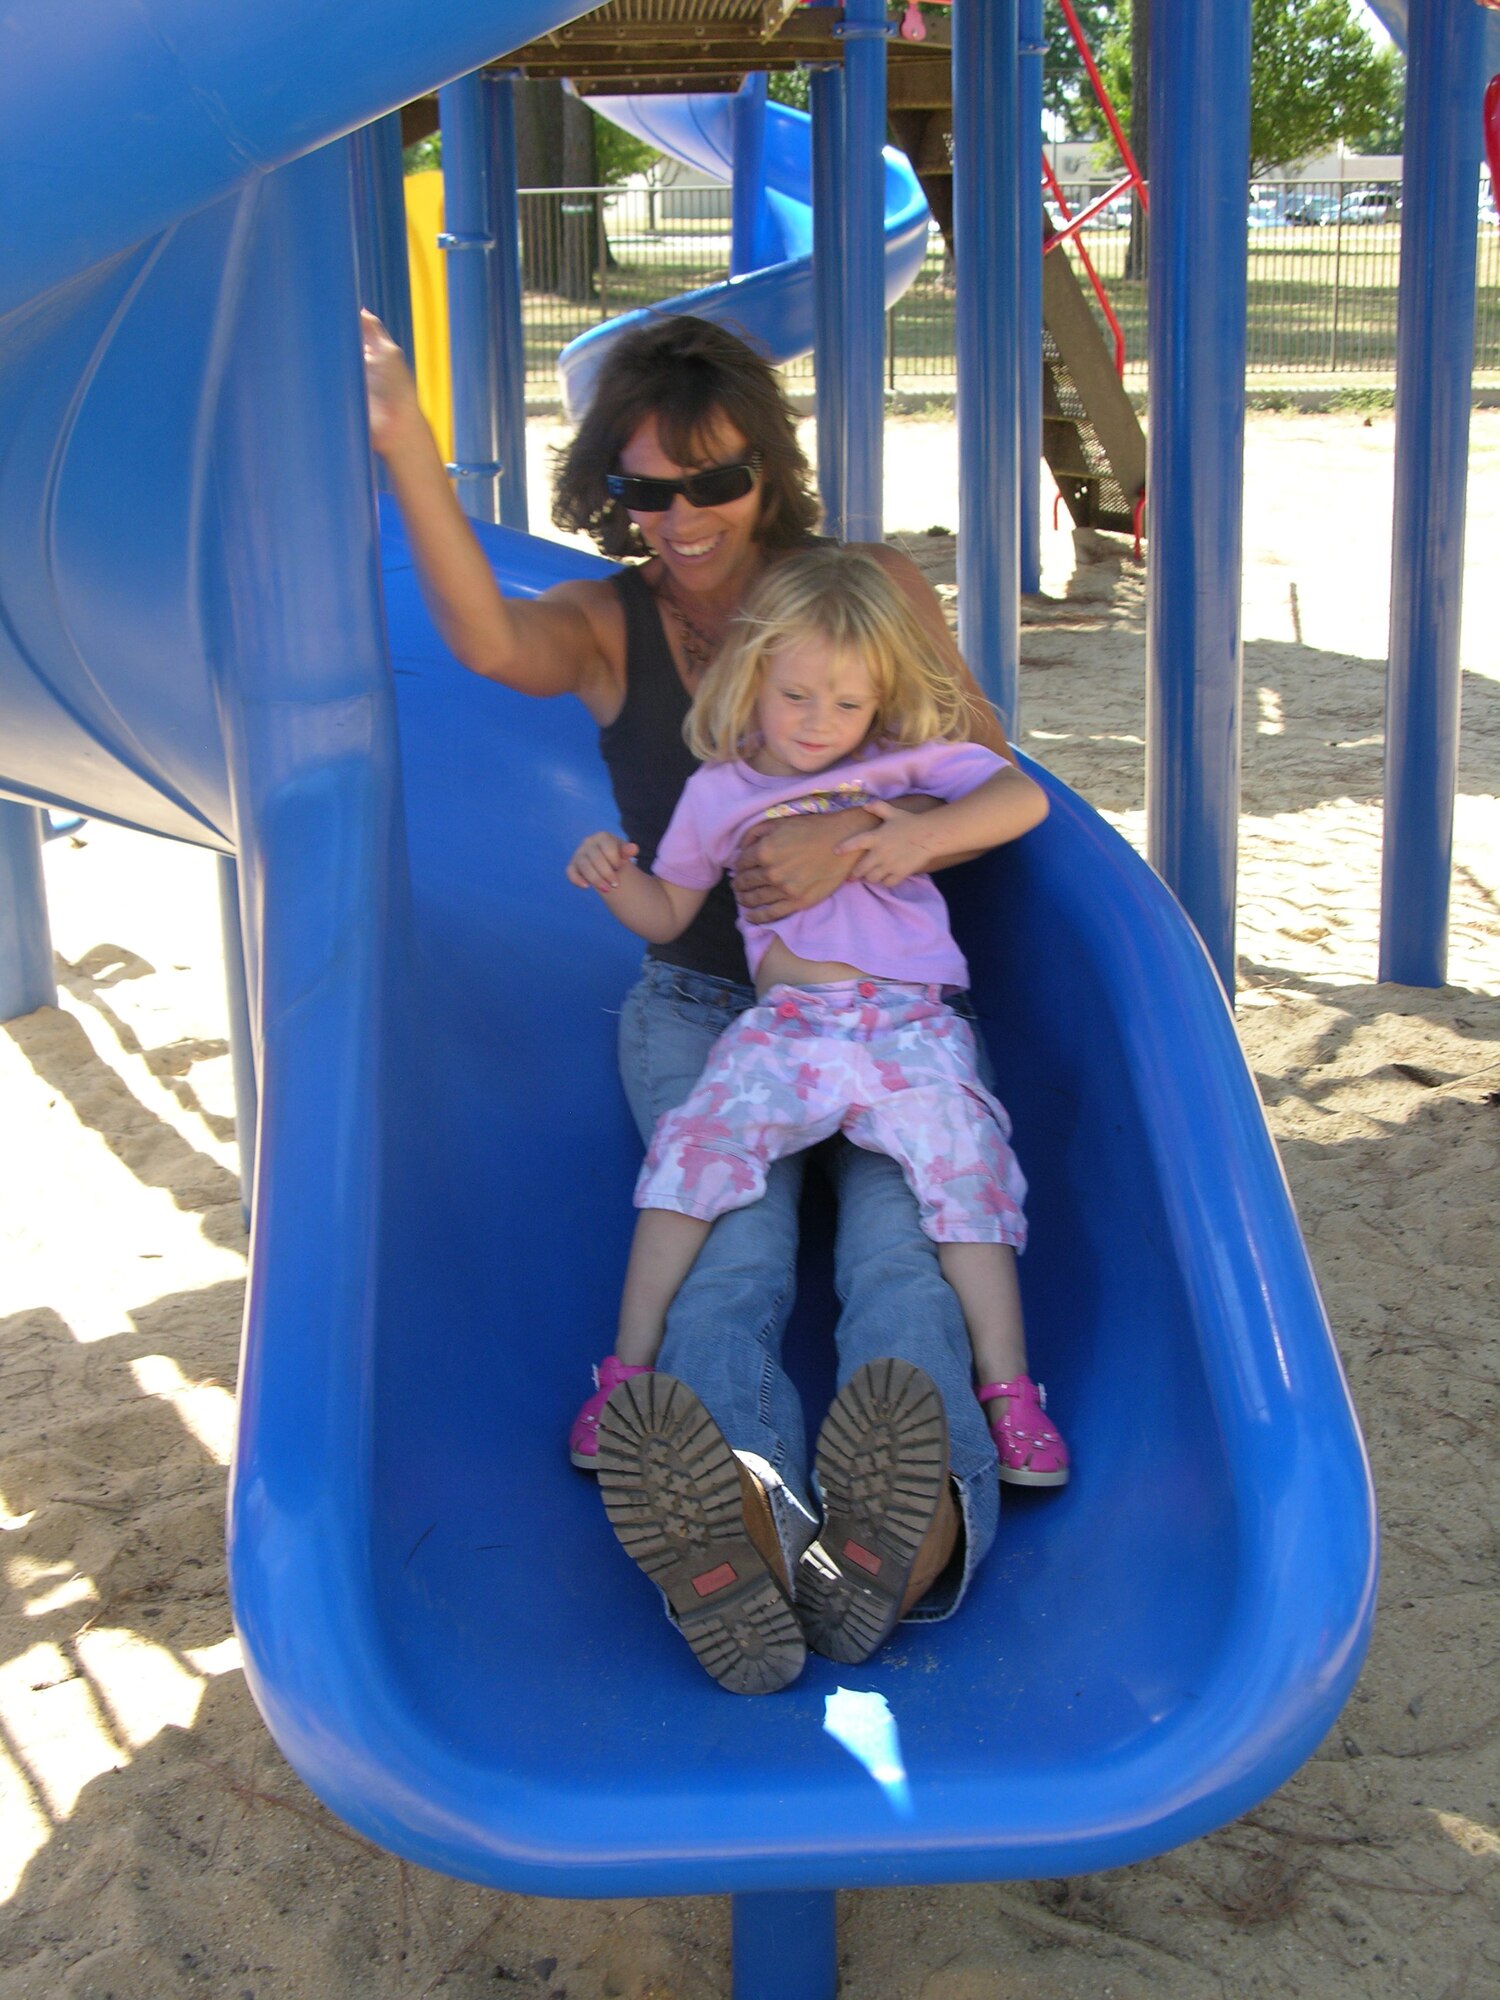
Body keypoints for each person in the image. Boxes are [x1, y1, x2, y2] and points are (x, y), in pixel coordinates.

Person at [361, 309, 1056, 1695]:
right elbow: (488, 639)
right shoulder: (611, 626)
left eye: (716, 480)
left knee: (903, 1250)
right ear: (608, 491)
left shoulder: (859, 596)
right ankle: (738, 1526)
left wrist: (850, 831)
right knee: (730, 1250)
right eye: (644, 488)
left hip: (885, 1015)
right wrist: (404, 441)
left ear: (769, 471)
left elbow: (983, 769)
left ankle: (895, 1551)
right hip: (704, 1011)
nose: (684, 518)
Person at [568, 549, 1066, 1687]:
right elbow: (666, 906)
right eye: (797, 695)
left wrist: (907, 834)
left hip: (907, 1025)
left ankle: (1006, 1392)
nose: (819, 720)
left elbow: (1020, 789)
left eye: (846, 702)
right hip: (786, 1027)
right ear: (751, 677)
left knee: (961, 1189)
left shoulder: (901, 764)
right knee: (696, 1164)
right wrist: (611, 873)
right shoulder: (720, 793)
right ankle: (628, 1375)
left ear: (878, 701)